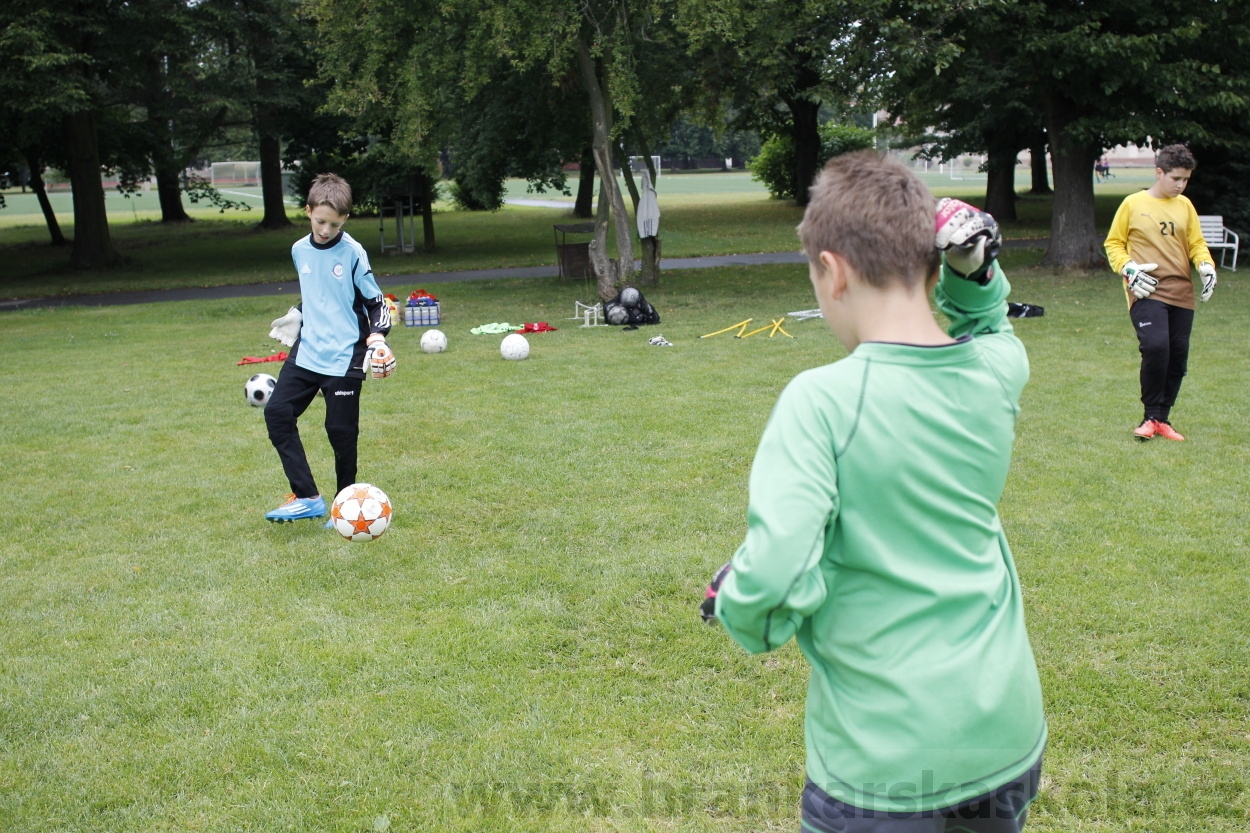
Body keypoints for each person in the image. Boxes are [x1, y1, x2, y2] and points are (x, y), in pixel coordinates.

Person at [700, 152, 1046, 832]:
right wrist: (977, 273)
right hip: (1005, 735)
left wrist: (737, 601)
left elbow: (772, 578)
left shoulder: (820, 401)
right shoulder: (994, 372)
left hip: (883, 766)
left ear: (832, 270)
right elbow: (992, 324)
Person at [262, 173, 395, 523]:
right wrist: (298, 313)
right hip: (307, 354)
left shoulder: (352, 252)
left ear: (345, 220)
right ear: (308, 212)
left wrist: (378, 338)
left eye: (334, 224)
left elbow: (375, 301)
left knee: (340, 434)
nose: (325, 230)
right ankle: (307, 497)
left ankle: (344, 508)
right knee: (277, 414)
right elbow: (320, 293)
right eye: (320, 221)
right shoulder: (298, 250)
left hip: (344, 357)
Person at [1104, 144, 1216, 441]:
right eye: (1175, 178)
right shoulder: (1132, 203)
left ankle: (1162, 419)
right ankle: (1150, 416)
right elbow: (1113, 244)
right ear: (1159, 172)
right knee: (1156, 348)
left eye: (1185, 180)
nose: (1180, 185)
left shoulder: (1186, 206)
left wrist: (1205, 265)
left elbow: (1196, 243)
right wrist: (1128, 268)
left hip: (1182, 292)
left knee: (1178, 356)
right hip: (1146, 290)